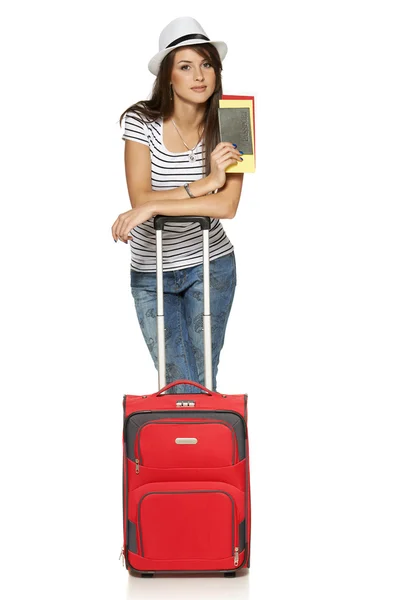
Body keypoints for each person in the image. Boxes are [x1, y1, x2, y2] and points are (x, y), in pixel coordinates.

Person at [111, 16, 244, 393]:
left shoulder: (234, 122)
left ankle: (204, 452)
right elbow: (139, 198)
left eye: (206, 64)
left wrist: (157, 206)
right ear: (168, 75)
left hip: (210, 266)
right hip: (151, 272)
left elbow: (227, 206)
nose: (199, 75)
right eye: (185, 66)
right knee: (177, 380)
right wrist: (206, 184)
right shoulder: (141, 121)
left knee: (200, 381)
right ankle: (193, 451)